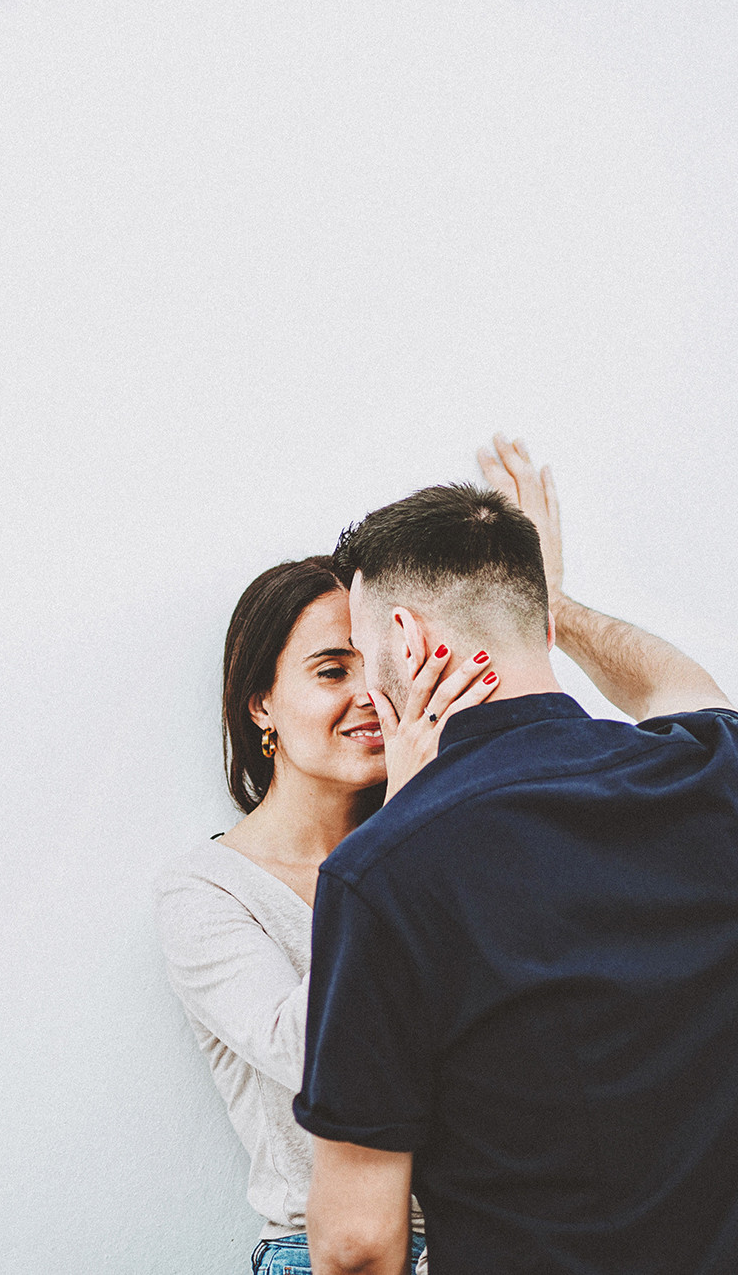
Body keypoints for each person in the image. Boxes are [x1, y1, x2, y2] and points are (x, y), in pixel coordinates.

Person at [296, 435, 738, 1275]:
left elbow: (354, 1246)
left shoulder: (384, 871)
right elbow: (681, 685)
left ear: (408, 641)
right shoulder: (719, 779)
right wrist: (558, 602)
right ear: (539, 620)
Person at [155, 541, 502, 1275]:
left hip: (492, 1241)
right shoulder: (209, 892)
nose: (370, 698)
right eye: (331, 671)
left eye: (382, 670)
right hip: (325, 1255)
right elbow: (316, 1054)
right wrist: (410, 817)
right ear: (260, 703)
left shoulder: (449, 853)